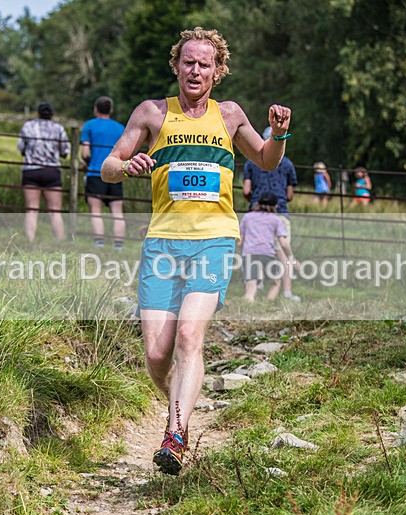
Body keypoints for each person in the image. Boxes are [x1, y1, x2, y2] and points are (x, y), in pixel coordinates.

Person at [100, 27, 292, 475]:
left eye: (205, 64)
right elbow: (107, 166)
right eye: (188, 62)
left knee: (189, 335)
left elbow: (266, 159)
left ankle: (176, 433)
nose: (195, 70)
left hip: (215, 239)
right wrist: (127, 166)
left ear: (217, 72)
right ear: (176, 66)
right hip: (162, 242)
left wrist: (279, 134)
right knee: (156, 355)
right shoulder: (151, 112)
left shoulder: (230, 115)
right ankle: (179, 402)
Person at [242, 127, 301, 302]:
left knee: (257, 247)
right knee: (281, 252)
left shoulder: (250, 163)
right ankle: (286, 292)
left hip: (255, 211)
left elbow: (246, 190)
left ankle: (257, 284)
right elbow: (290, 195)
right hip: (279, 211)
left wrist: (255, 200)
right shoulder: (287, 164)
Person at [17, 102, 70, 241]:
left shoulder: (27, 126)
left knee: (32, 210)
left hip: (31, 170)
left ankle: (30, 241)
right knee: (55, 211)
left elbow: (21, 149)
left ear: (38, 113)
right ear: (52, 114)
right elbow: (65, 151)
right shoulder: (58, 128)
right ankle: (60, 242)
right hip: (51, 171)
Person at [80, 96, 125, 250]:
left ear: (95, 109)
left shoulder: (89, 125)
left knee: (96, 211)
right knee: (117, 211)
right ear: (111, 110)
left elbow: (85, 153)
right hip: (115, 173)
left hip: (95, 172)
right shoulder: (120, 128)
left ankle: (99, 243)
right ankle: (118, 245)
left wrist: (87, 162)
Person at [239, 192, 296, 302]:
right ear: (275, 206)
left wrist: (243, 251)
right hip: (267, 254)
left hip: (249, 254)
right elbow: (283, 243)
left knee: (251, 285)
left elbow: (239, 241)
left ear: (258, 203)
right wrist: (292, 257)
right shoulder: (276, 219)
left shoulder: (247, 217)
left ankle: (248, 302)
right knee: (276, 282)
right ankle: (267, 303)